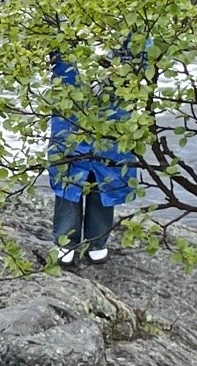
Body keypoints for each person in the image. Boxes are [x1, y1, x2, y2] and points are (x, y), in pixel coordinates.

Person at [49, 53, 138, 267]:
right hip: (76, 88)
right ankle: (70, 240)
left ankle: (94, 241)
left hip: (111, 89)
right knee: (72, 167)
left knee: (104, 167)